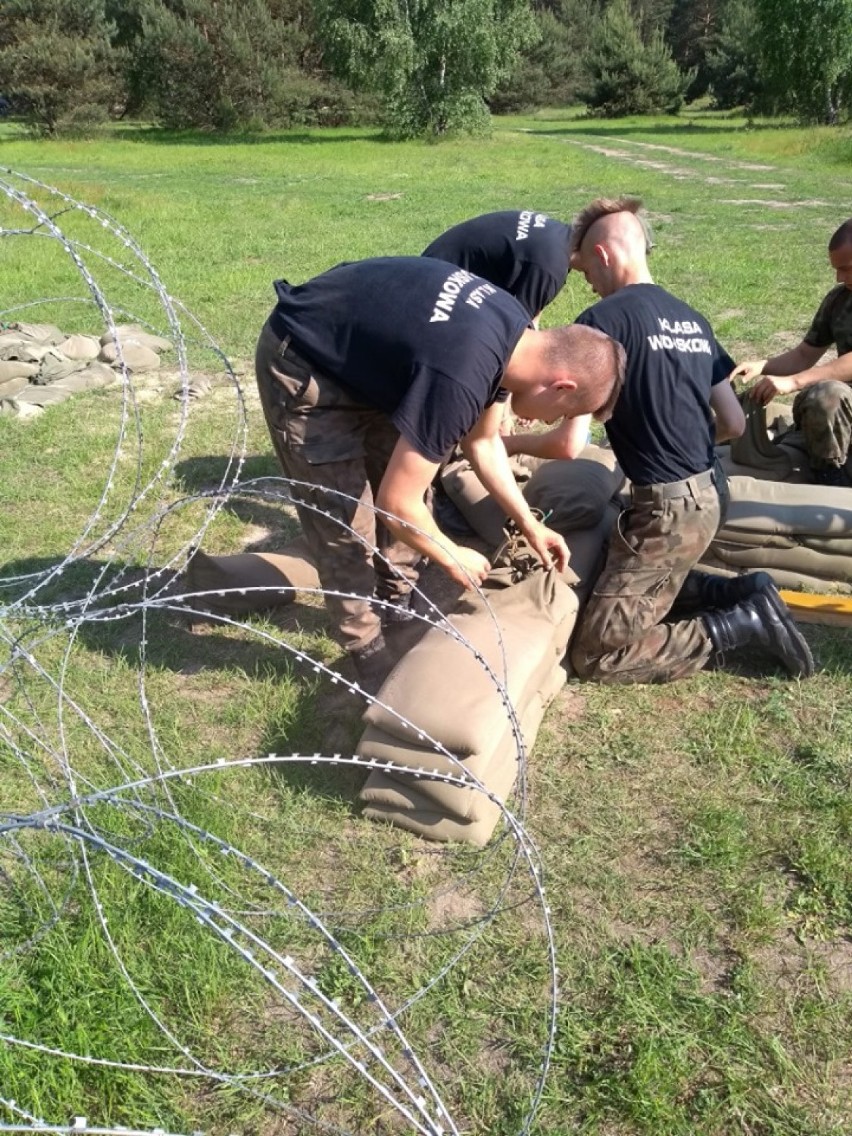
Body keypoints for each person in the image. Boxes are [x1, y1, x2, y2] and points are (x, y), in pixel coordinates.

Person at [254, 255, 626, 692]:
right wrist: (451, 554)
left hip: (370, 363)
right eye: (567, 414)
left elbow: (483, 443)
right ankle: (369, 655)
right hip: (305, 361)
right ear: (561, 386)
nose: (554, 424)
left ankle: (396, 607)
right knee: (347, 525)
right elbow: (397, 505)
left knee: (415, 491)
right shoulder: (459, 377)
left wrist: (528, 524)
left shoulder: (515, 339)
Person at [566, 196, 815, 684]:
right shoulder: (693, 320)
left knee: (597, 655)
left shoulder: (600, 324)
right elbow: (733, 422)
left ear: (603, 256)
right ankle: (737, 593)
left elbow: (570, 441)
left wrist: (504, 445)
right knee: (624, 582)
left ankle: (738, 623)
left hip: (668, 510)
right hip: (710, 489)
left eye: (585, 273)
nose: (589, 284)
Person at [423, 209, 588, 461]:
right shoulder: (550, 268)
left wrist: (528, 389)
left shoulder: (556, 244)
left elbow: (530, 323)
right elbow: (512, 344)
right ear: (603, 254)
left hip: (442, 274)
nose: (596, 290)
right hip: (439, 292)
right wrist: (502, 416)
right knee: (468, 375)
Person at [731, 217, 852, 486]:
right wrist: (762, 366)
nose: (840, 278)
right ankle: (829, 475)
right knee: (822, 398)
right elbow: (805, 355)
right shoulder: (840, 300)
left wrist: (795, 382)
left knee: (827, 394)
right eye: (837, 270)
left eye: (847, 269)